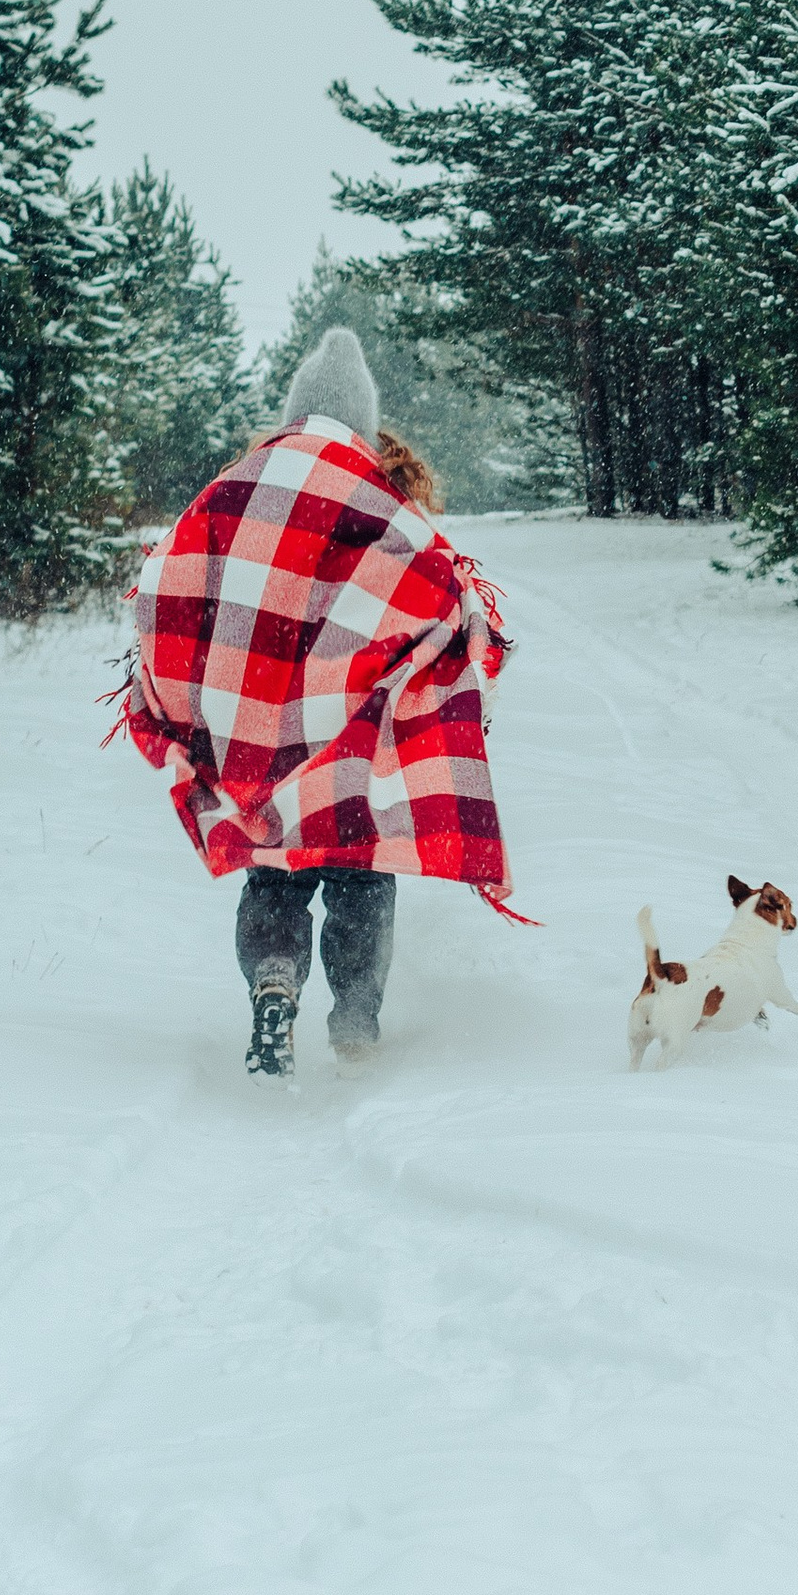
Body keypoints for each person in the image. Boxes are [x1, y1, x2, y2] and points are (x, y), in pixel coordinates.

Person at [115, 324, 521, 1077]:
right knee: (362, 871)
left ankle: (274, 982)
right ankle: (356, 1021)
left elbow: (174, 580)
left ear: (294, 409)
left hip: (259, 740)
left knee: (274, 869)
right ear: (364, 420)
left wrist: (181, 688)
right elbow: (437, 594)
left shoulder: (239, 489)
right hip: (350, 741)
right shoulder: (378, 498)